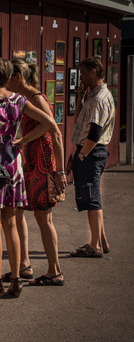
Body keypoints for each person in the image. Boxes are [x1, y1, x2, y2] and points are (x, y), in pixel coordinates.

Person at [0, 58, 57, 298]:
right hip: (12, 164)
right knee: (12, 224)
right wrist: (23, 140)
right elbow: (48, 121)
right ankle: (16, 279)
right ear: (8, 76)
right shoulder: (19, 100)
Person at [5, 58, 66, 286]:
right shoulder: (25, 98)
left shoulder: (36, 98)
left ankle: (55, 270)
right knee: (19, 211)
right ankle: (24, 264)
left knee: (43, 218)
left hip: (42, 161)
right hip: (31, 161)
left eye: (8, 77)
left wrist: (59, 172)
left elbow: (53, 130)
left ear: (17, 77)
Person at [69, 57, 115, 257]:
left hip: (91, 152)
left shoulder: (99, 98)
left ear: (94, 71)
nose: (81, 77)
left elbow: (95, 133)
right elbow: (79, 118)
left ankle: (94, 245)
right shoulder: (93, 95)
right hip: (91, 151)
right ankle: (102, 241)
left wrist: (82, 155)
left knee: (91, 198)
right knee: (93, 194)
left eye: (84, 73)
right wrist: (80, 97)